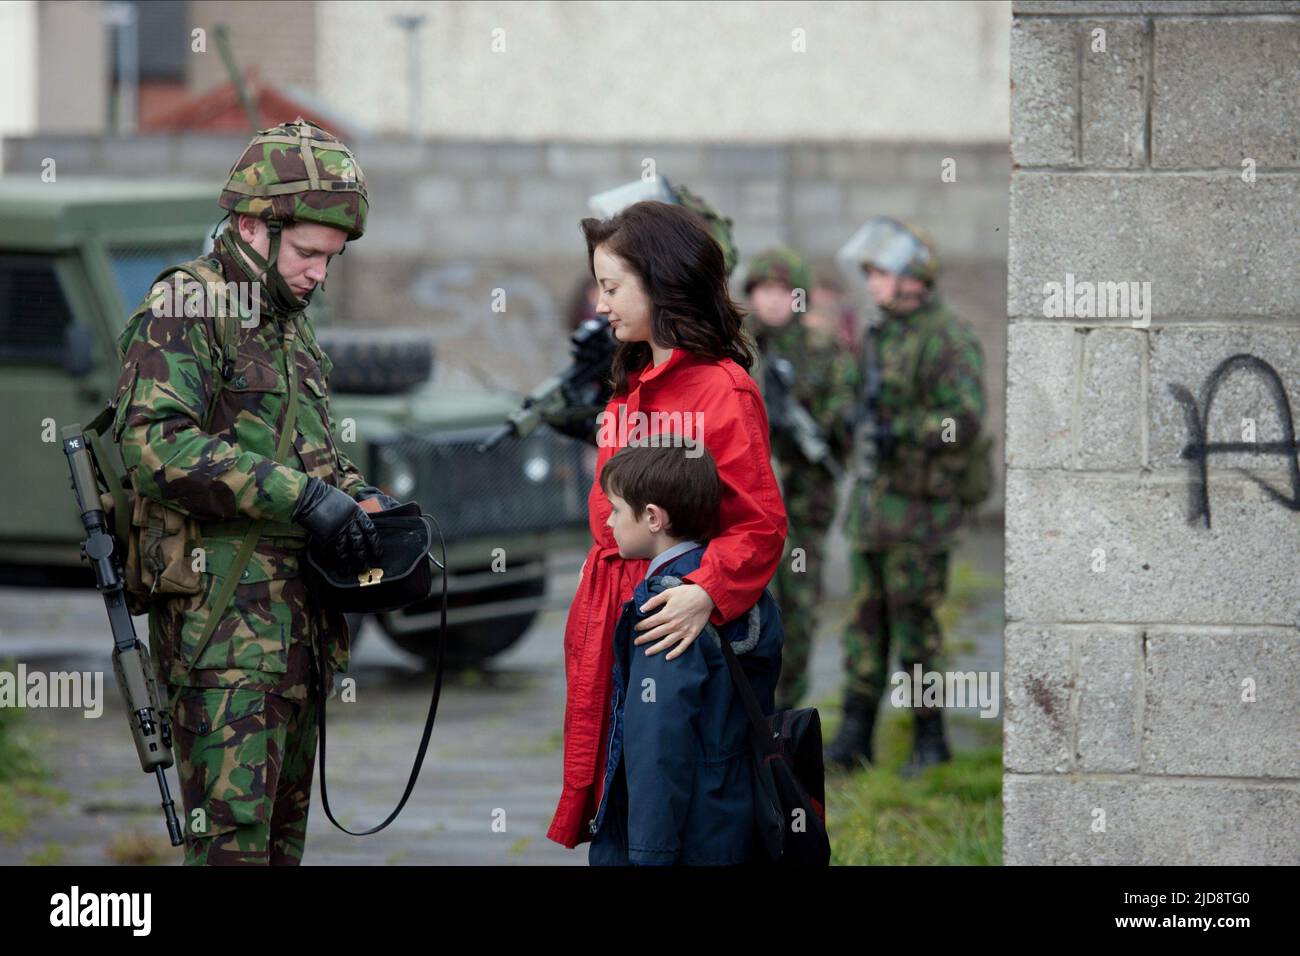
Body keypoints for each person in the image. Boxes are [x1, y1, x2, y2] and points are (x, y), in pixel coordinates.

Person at [110, 118, 394, 864]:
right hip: (222, 643)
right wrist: (302, 497)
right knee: (232, 852)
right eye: (307, 254)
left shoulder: (290, 327)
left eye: (330, 260)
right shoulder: (187, 305)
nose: (318, 275)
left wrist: (364, 504)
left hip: (297, 643)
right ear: (250, 226)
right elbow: (155, 445)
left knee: (279, 851)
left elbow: (314, 457)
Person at [547, 200, 787, 850]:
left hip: (681, 638)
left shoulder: (722, 392)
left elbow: (760, 525)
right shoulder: (629, 385)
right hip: (618, 615)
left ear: (662, 280)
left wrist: (707, 592)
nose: (601, 306)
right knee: (620, 797)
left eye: (612, 286)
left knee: (683, 807)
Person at [828, 217, 987, 776]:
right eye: (869, 273)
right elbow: (859, 395)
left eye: (880, 273)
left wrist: (906, 430)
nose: (872, 283)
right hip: (873, 510)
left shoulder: (948, 335)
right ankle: (855, 735)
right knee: (864, 624)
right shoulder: (879, 333)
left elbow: (963, 421)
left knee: (915, 626)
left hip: (920, 512)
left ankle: (930, 739)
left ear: (912, 277)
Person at [587, 443, 782, 865]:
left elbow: (658, 743)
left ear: (654, 518)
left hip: (684, 836)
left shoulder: (666, 611)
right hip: (732, 816)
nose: (609, 520)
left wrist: (648, 855)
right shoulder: (744, 595)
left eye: (617, 510)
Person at [743, 247, 857, 711]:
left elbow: (843, 422)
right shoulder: (735, 349)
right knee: (745, 607)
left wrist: (809, 420)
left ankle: (785, 713)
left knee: (800, 609)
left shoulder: (823, 352)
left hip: (804, 506)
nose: (773, 301)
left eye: (783, 292)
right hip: (745, 508)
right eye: (764, 290)